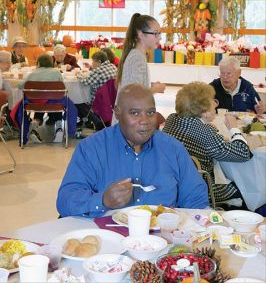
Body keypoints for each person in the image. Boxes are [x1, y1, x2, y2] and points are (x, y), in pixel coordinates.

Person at [56, 84, 209, 217]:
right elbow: (66, 200)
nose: (145, 121)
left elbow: (197, 201)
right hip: (107, 239)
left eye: (150, 112)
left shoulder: (173, 149)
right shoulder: (92, 148)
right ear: (117, 112)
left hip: (163, 241)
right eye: (135, 113)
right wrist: (103, 200)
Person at [163, 82, 253, 208]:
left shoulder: (172, 120)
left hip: (171, 186)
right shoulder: (204, 132)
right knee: (248, 185)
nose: (216, 104)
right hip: (199, 189)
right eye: (213, 101)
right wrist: (234, 128)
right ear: (204, 111)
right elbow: (243, 153)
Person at [17, 54, 67, 143]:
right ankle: (59, 128)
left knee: (41, 100)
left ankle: (34, 128)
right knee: (55, 99)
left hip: (35, 105)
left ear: (39, 63)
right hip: (54, 104)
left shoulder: (32, 73)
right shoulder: (56, 72)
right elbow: (62, 88)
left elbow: (21, 86)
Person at [116, 13, 165, 94]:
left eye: (159, 33)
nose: (160, 37)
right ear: (141, 34)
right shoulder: (136, 58)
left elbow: (136, 86)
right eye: (155, 33)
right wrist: (156, 89)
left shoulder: (138, 55)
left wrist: (150, 85)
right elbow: (135, 94)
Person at [76, 51, 117, 129]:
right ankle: (93, 122)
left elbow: (86, 81)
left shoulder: (99, 70)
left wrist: (78, 75)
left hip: (100, 100)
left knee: (79, 102)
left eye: (93, 61)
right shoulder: (113, 66)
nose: (92, 63)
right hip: (113, 99)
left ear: (99, 62)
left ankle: (97, 122)